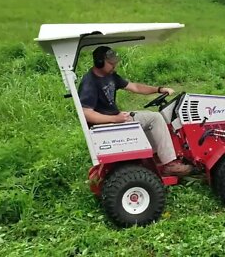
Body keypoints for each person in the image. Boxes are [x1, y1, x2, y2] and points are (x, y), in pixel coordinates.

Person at [78, 46, 191, 176]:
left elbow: (135, 87)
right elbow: (86, 113)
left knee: (153, 117)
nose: (114, 65)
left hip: (115, 117)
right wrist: (115, 119)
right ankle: (170, 164)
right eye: (111, 63)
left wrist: (159, 89)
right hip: (105, 124)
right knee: (155, 119)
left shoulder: (110, 75)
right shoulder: (89, 82)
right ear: (99, 62)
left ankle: (156, 157)